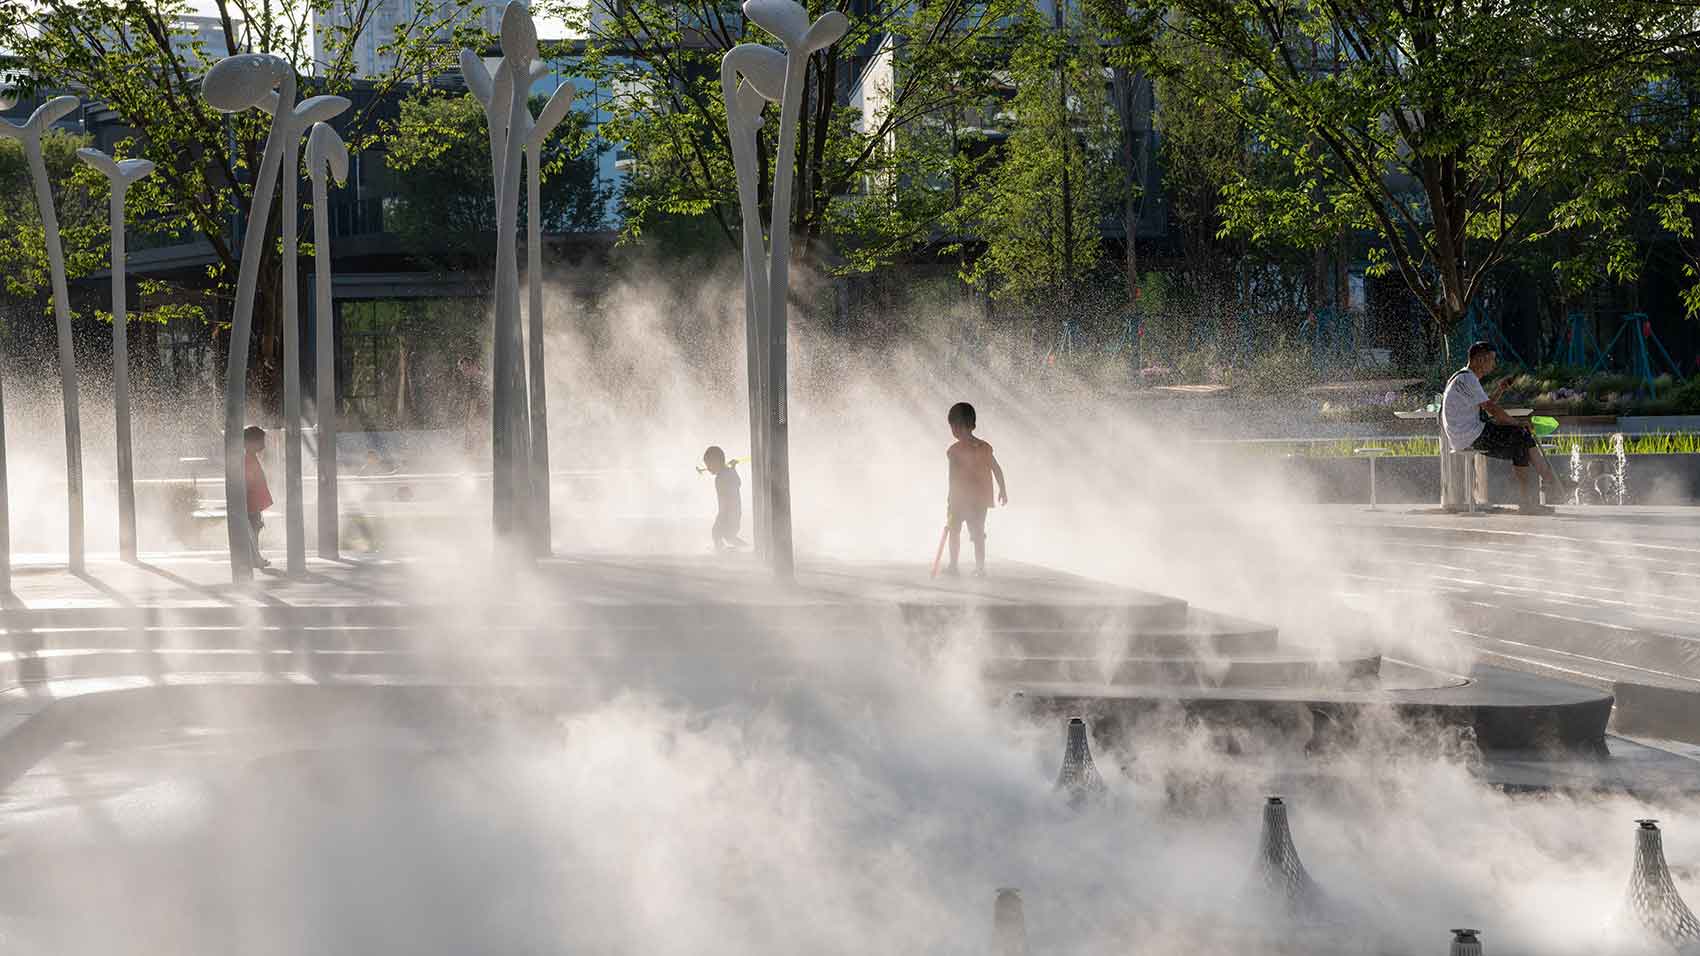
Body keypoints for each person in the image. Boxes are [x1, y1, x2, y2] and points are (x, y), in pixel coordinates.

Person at [1442, 341, 1564, 513]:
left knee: (1521, 441)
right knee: (1521, 435)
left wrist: (1500, 390)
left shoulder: (1462, 377)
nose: (1494, 364)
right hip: (1469, 435)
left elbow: (1484, 407)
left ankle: (1538, 491)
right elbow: (1491, 409)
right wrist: (1516, 423)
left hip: (1465, 433)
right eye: (1491, 360)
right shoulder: (1468, 378)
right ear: (1479, 360)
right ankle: (1544, 485)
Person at [944, 401, 1008, 577]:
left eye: (953, 427)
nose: (954, 431)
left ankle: (956, 566)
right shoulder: (983, 447)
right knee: (976, 532)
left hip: (965, 499)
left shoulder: (955, 451)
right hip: (977, 499)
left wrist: (950, 499)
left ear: (957, 426)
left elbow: (952, 478)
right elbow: (997, 469)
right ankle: (977, 568)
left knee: (958, 531)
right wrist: (1003, 489)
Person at [702, 445, 746, 551]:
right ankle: (744, 547)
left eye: (709, 465)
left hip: (728, 513)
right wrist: (733, 469)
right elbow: (738, 482)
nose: (707, 468)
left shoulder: (720, 477)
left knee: (717, 533)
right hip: (735, 512)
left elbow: (727, 497)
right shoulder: (728, 473)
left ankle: (720, 549)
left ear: (717, 462)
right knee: (729, 536)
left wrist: (722, 516)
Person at [243, 425, 274, 568]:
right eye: (261, 441)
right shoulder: (247, 458)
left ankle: (254, 557)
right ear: (251, 442)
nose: (263, 444)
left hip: (253, 503)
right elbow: (249, 482)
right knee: (253, 531)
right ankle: (254, 559)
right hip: (251, 504)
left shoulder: (250, 456)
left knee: (255, 530)